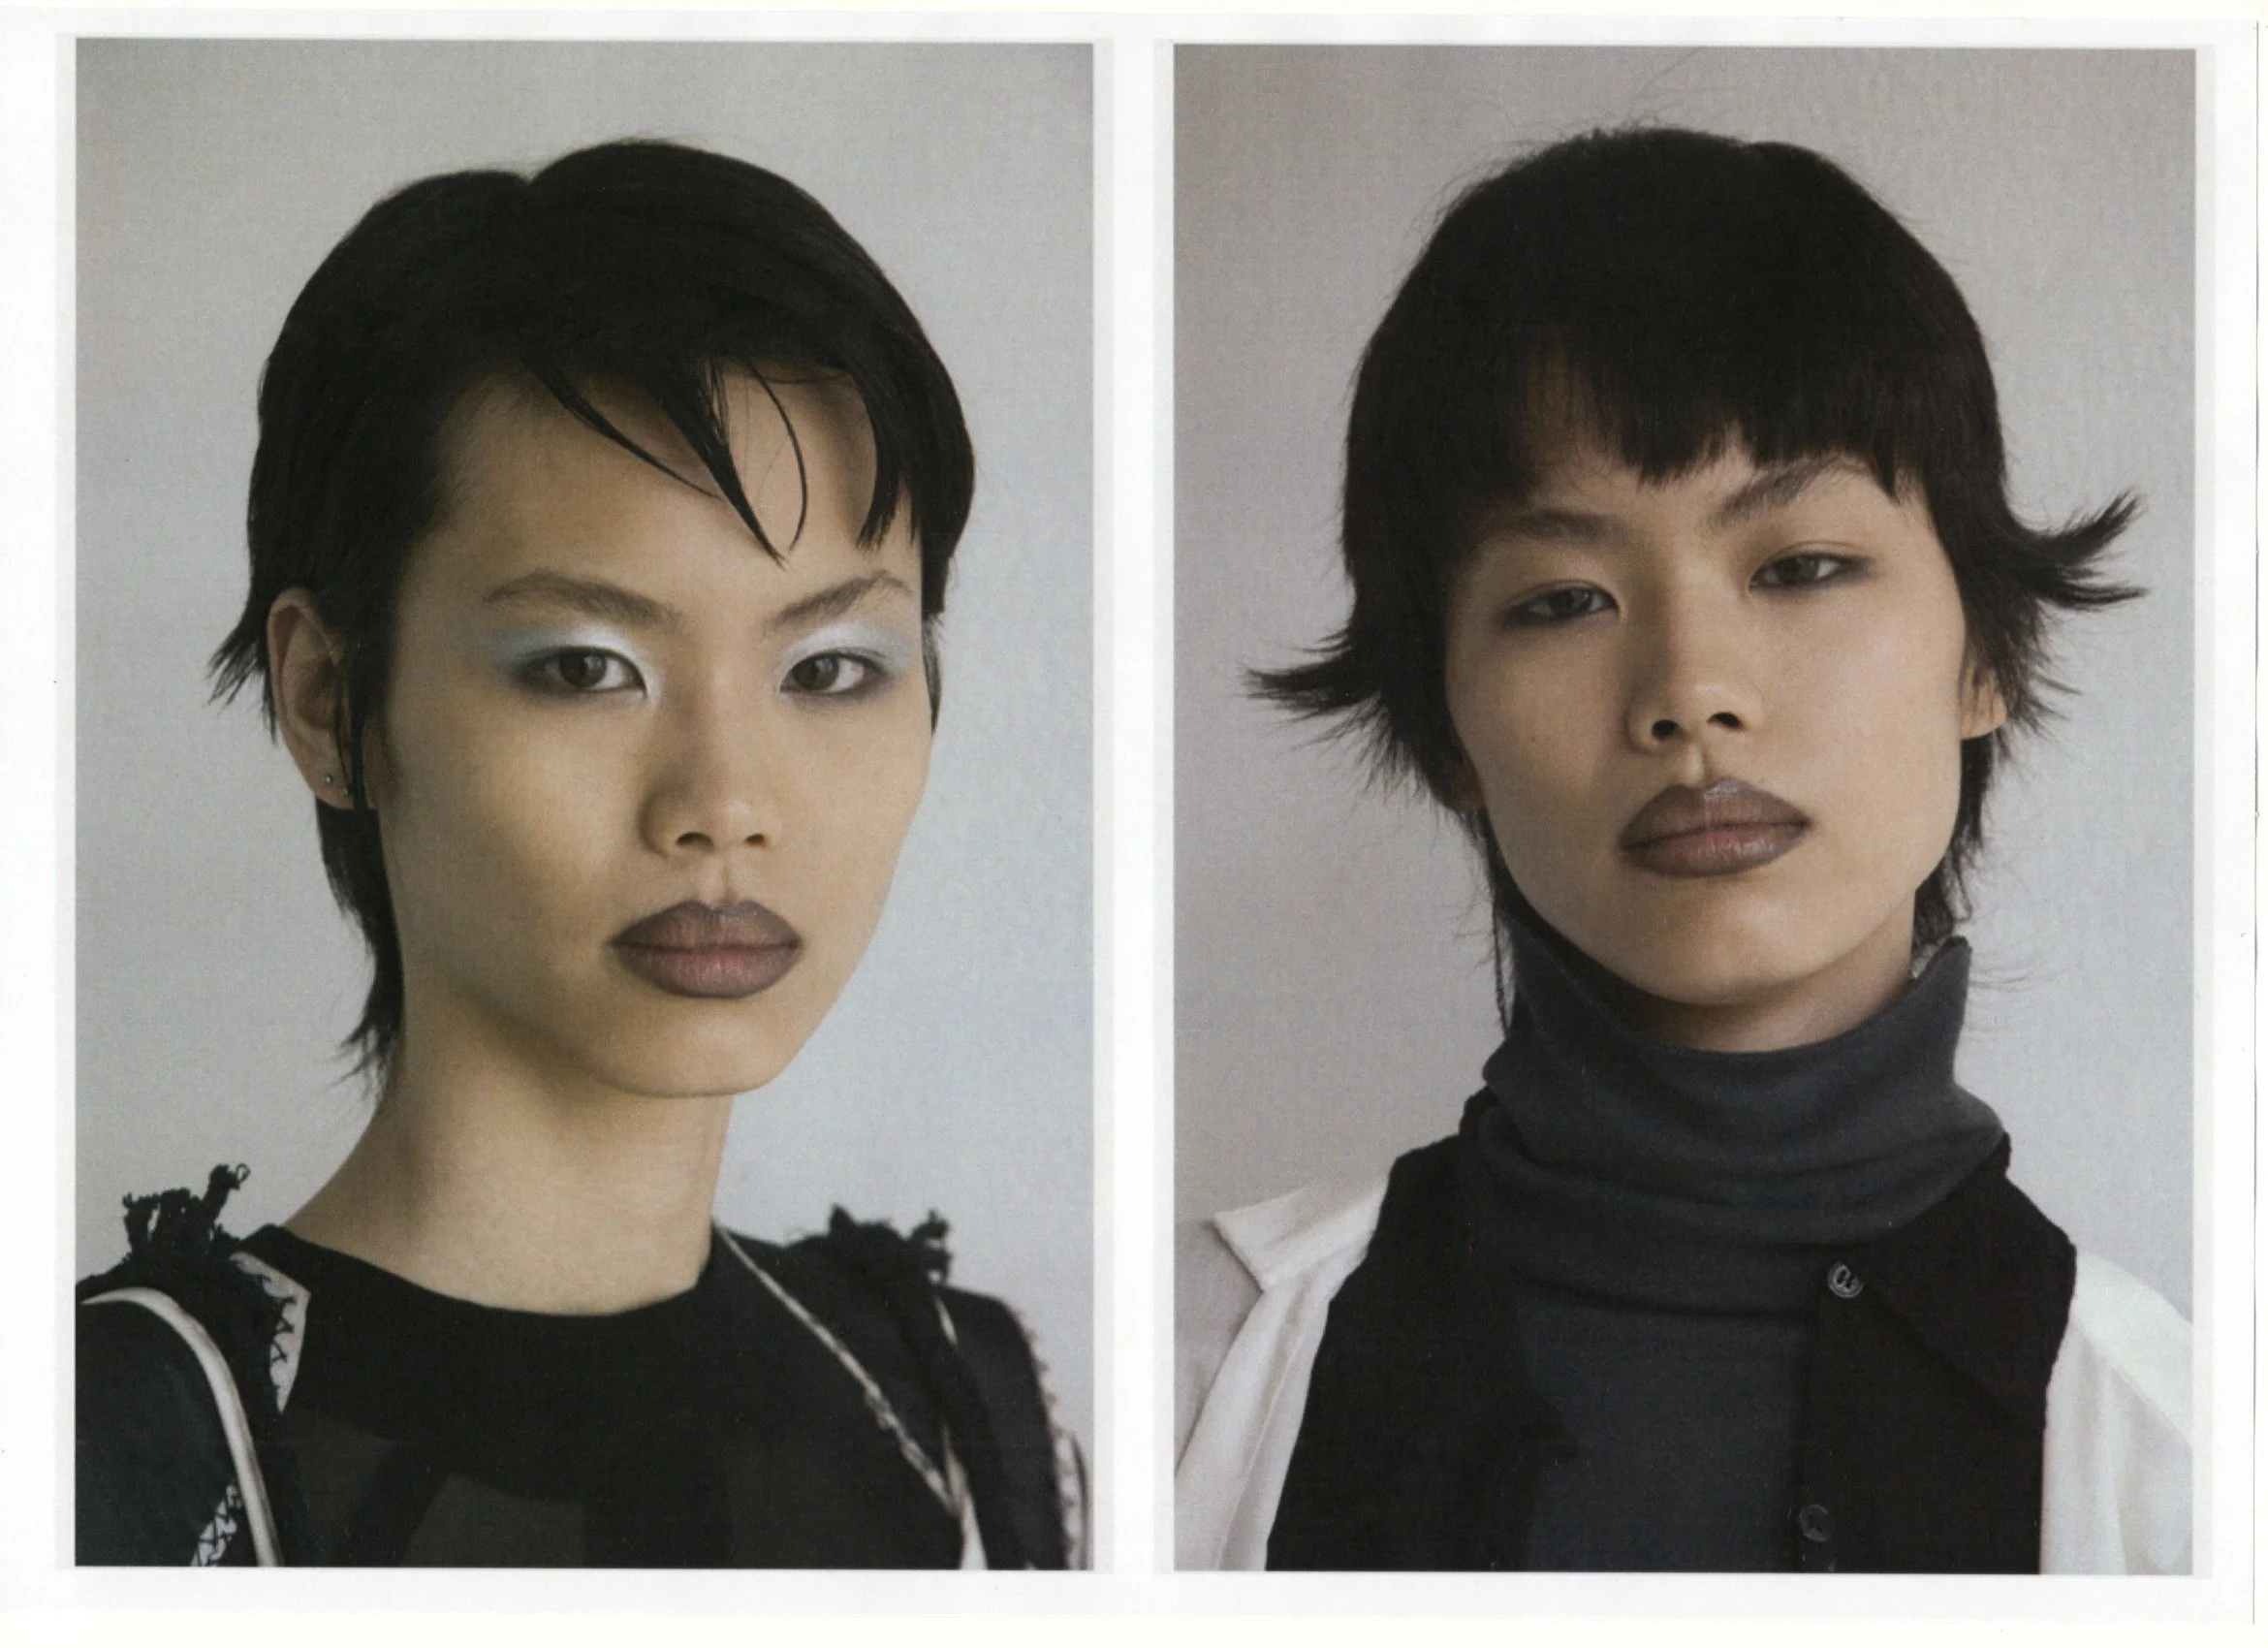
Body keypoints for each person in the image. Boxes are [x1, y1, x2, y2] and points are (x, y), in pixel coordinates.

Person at [1176, 126, 2189, 1574]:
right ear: (1445, 725)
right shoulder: (1175, 1372)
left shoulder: (2186, 1469)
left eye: (1801, 567)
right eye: (1563, 599)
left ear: (1986, 656)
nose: (1690, 690)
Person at [78, 140, 1081, 1569]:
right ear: (326, 704)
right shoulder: (107, 1460)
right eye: (586, 668)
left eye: (832, 668)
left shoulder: (975, 1426)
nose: (724, 802)